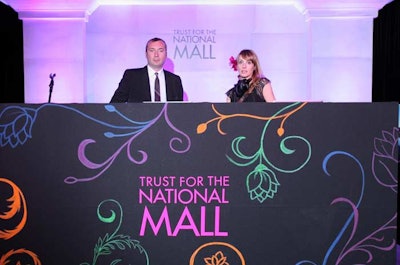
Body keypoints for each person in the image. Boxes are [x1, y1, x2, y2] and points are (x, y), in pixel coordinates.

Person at [110, 37, 184, 103]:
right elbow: (115, 105)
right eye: (152, 50)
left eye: (160, 51)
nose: (156, 55)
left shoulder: (175, 80)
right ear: (146, 54)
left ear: (166, 54)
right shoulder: (131, 76)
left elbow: (178, 111)